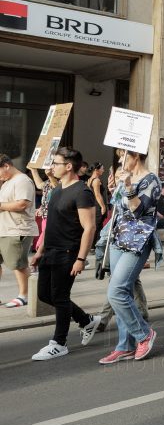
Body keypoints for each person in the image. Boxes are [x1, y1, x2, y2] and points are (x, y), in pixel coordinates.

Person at [29, 148, 102, 359]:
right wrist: (39, 251)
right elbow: (51, 224)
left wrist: (81, 259)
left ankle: (59, 343)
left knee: (60, 297)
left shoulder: (82, 191)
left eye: (56, 163)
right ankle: (86, 320)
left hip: (68, 252)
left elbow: (89, 228)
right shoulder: (57, 189)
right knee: (45, 295)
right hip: (49, 250)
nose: (52, 167)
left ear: (69, 166)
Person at [98, 149, 162, 364]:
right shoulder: (125, 177)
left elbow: (138, 211)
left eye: (123, 156)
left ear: (136, 156)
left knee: (116, 292)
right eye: (118, 156)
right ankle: (125, 346)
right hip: (119, 237)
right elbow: (118, 207)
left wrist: (127, 186)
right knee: (121, 291)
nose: (119, 160)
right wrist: (113, 190)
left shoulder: (151, 180)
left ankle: (144, 334)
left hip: (138, 240)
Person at [1, 154, 40, 308]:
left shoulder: (22, 180)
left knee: (18, 263)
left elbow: (22, 204)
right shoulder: (7, 181)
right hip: (4, 228)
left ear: (6, 166)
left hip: (17, 229)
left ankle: (24, 295)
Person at [87, 163, 108, 247]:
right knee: (97, 226)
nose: (103, 170)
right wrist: (103, 206)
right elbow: (97, 194)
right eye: (102, 169)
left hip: (93, 204)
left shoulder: (89, 179)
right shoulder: (96, 180)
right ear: (96, 170)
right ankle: (92, 246)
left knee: (98, 226)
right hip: (97, 205)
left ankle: (96, 245)